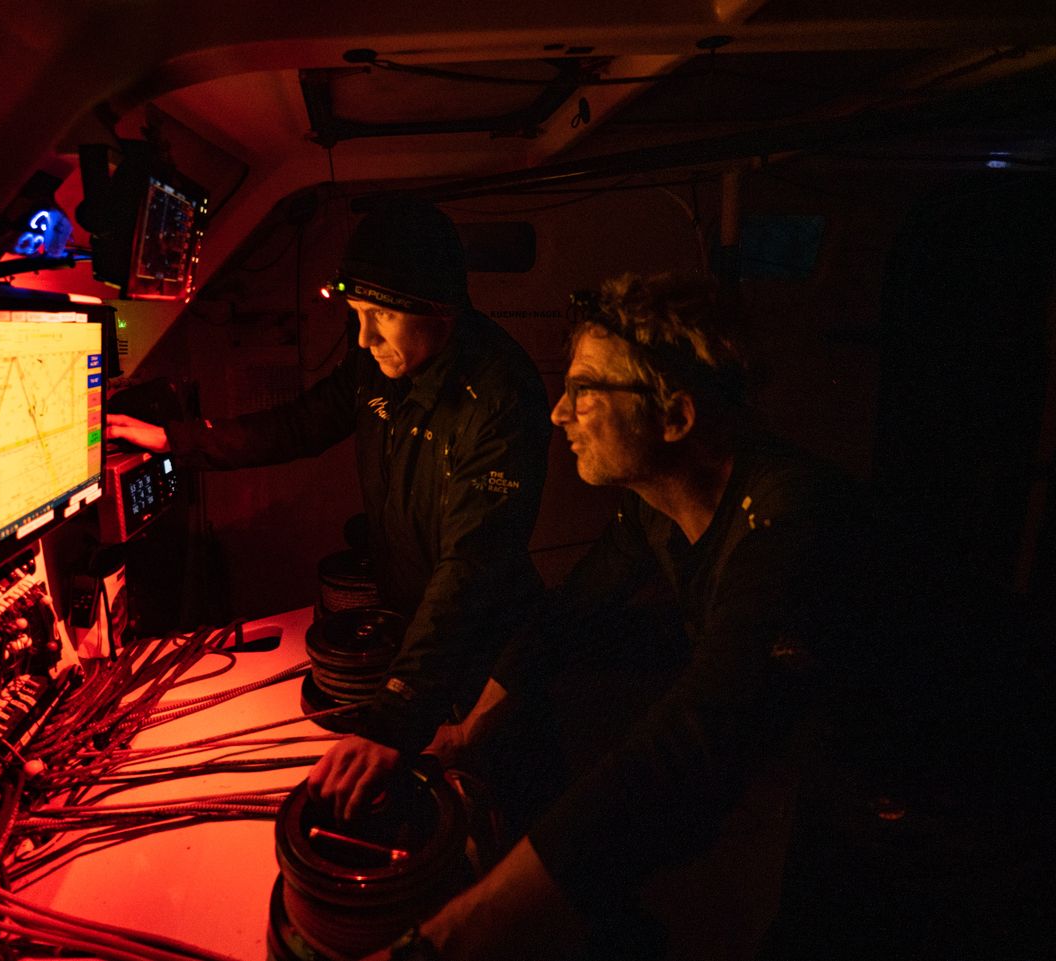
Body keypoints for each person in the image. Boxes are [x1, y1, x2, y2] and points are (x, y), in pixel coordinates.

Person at [361, 270, 875, 961]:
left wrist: (449, 934)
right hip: (820, 767)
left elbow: (701, 725)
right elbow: (565, 617)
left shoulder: (791, 518)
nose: (556, 414)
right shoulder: (650, 511)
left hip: (923, 799)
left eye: (584, 391)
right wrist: (468, 730)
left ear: (675, 418)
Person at [107, 196, 552, 820]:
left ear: (437, 309)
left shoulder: (501, 399)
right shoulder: (379, 367)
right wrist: (178, 441)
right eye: (357, 315)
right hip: (414, 640)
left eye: (378, 317)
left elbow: (471, 569)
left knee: (482, 816)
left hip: (484, 652)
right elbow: (301, 424)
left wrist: (393, 715)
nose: (364, 339)